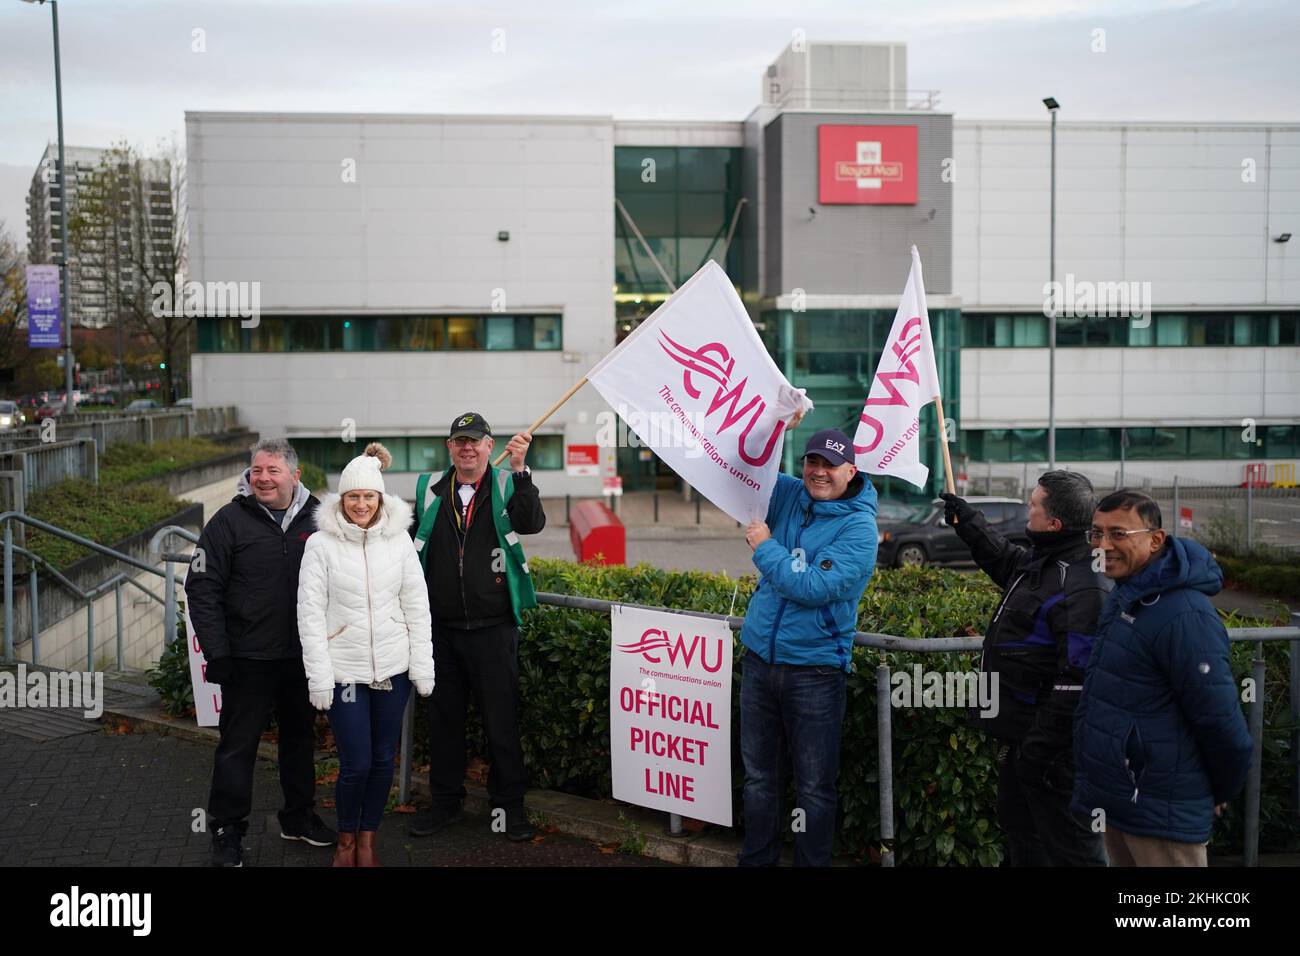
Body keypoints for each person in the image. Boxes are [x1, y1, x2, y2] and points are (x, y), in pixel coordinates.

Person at [1072, 490, 1252, 867]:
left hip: (1162, 810)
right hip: (1124, 802)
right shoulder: (1127, 596)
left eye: (1118, 534)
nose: (1103, 545)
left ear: (1156, 540)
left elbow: (1219, 720)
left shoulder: (1184, 614)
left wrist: (1218, 788)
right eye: (1096, 533)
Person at [940, 472, 1111, 866]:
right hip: (1023, 741)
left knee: (1070, 850)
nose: (1026, 512)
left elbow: (1079, 680)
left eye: (1032, 505)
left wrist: (1039, 748)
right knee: (1024, 837)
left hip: (1053, 752)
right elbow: (1007, 561)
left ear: (1054, 523)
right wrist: (969, 523)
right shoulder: (1047, 562)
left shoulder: (1083, 583)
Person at [185, 438, 336, 867]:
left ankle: (298, 818)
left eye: (272, 471)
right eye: (257, 471)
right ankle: (227, 830)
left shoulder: (321, 520)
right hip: (247, 660)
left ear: (295, 474)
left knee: (298, 743)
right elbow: (201, 587)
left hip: (301, 659)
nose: (263, 478)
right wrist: (218, 653)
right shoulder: (228, 521)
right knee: (237, 748)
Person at [737, 428, 878, 866]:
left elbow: (813, 587)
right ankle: (756, 861)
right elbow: (744, 468)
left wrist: (765, 548)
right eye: (811, 462)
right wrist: (777, 423)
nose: (818, 472)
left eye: (829, 465)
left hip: (815, 672)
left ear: (850, 471)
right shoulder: (790, 493)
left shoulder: (860, 528)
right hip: (760, 661)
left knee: (815, 787)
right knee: (759, 779)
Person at [296, 443, 436, 866]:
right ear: (342, 499)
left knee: (381, 761)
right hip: (345, 675)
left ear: (380, 499)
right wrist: (319, 679)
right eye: (353, 496)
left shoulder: (399, 543)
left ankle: (369, 840)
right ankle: (345, 839)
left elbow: (417, 607)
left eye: (369, 496)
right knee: (355, 763)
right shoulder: (320, 545)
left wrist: (423, 666)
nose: (361, 504)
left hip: (393, 672)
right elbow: (309, 615)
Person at [408, 413, 545, 841]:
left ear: (490, 446)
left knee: (501, 723)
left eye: (475, 442)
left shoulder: (507, 483)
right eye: (459, 442)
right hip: (441, 631)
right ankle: (445, 805)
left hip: (493, 628)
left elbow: (530, 523)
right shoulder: (428, 487)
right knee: (443, 723)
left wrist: (522, 471)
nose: (467, 448)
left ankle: (510, 810)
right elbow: (408, 541)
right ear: (450, 448)